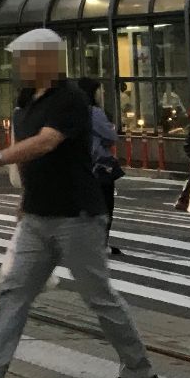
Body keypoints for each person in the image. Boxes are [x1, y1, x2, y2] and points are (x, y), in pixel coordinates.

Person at [0, 28, 158, 378]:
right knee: (15, 290)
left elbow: (46, 142)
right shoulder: (28, 101)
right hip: (37, 213)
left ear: (46, 59)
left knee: (98, 295)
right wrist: (22, 202)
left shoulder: (69, 99)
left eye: (25, 58)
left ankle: (138, 369)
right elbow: (33, 161)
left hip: (76, 214)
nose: (19, 65)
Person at [78, 78, 125, 255]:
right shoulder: (94, 112)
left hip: (79, 165)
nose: (102, 94)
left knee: (83, 207)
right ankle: (100, 243)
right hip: (99, 165)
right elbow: (110, 136)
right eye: (99, 90)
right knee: (104, 205)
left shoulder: (70, 112)